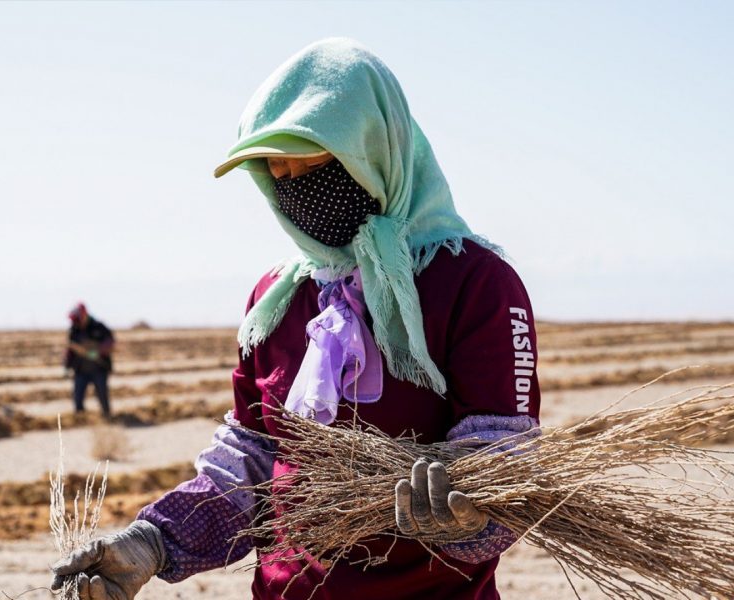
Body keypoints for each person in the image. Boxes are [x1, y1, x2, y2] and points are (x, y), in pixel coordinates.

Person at [51, 38, 541, 600]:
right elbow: (252, 458)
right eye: (275, 170)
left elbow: (504, 458)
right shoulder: (277, 297)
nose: (292, 187)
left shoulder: (473, 283)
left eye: (310, 163)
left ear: (374, 148)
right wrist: (154, 540)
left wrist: (472, 516)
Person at [65, 302, 115, 417]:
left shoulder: (99, 327)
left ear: (84, 315)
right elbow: (70, 349)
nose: (76, 323)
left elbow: (110, 342)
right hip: (81, 370)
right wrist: (67, 366)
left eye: (77, 320)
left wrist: (98, 352)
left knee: (102, 394)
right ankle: (80, 417)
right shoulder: (74, 330)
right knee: (78, 395)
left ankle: (107, 415)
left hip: (99, 369)